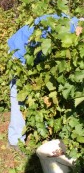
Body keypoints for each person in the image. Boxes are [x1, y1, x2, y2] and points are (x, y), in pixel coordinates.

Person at [7, 14, 80, 151]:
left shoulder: (69, 26)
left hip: (35, 57)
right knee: (18, 95)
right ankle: (15, 140)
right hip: (18, 53)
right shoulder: (63, 25)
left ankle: (43, 129)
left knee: (42, 91)